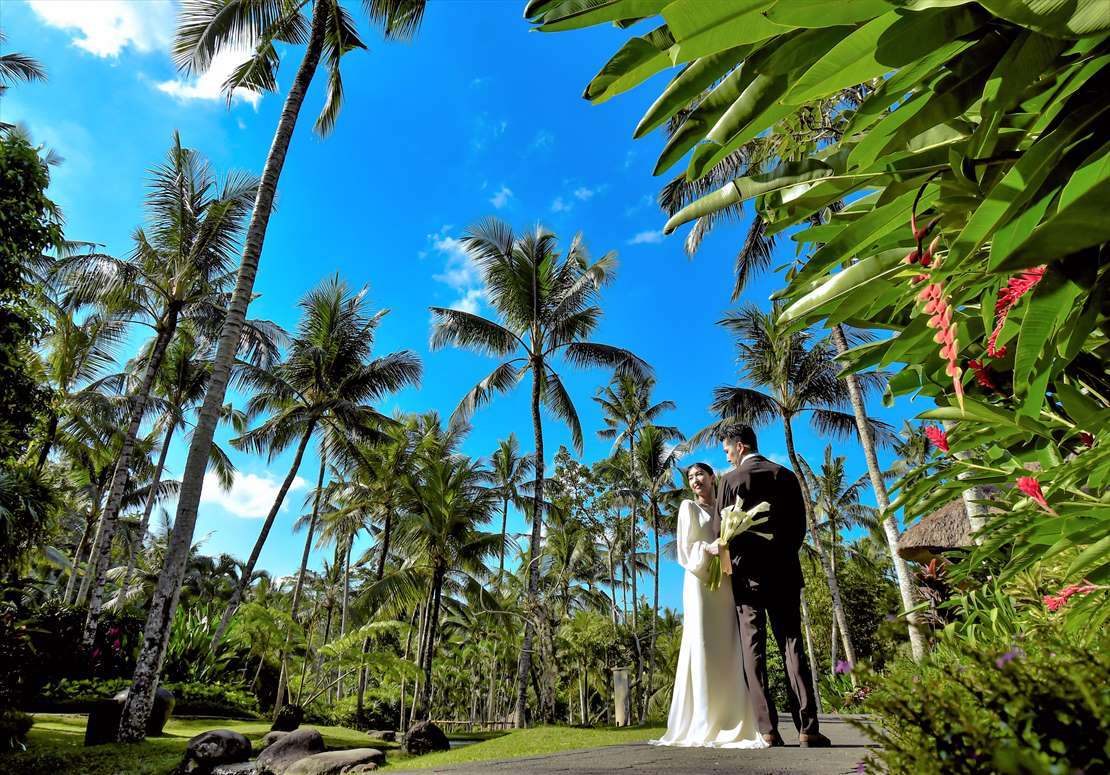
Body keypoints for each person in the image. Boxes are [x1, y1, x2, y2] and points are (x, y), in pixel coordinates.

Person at [716, 423, 831, 748]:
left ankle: (767, 729)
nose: (727, 457)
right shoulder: (785, 475)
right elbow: (798, 529)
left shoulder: (730, 481)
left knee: (753, 651)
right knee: (792, 645)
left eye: (727, 450)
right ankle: (808, 728)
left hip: (746, 578)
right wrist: (780, 556)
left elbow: (719, 534)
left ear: (740, 446)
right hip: (784, 574)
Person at [651, 462, 767, 749]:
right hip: (700, 584)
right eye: (690, 477)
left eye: (700, 474)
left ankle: (731, 714)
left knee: (728, 643)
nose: (695, 480)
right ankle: (704, 719)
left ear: (713, 477)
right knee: (703, 643)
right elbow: (685, 549)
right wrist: (709, 549)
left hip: (725, 582)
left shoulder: (725, 510)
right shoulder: (688, 508)